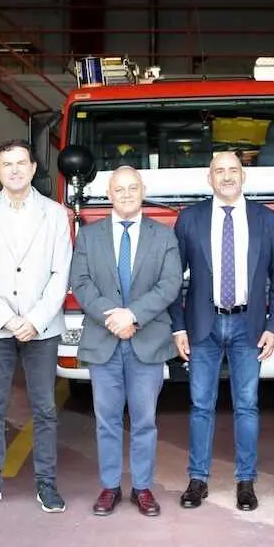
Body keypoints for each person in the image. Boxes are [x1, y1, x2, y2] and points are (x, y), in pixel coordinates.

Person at [170, 151, 274, 512]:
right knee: (200, 405)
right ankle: (198, 480)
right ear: (209, 178)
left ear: (243, 176)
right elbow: (173, 279)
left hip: (247, 325)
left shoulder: (266, 219)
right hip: (203, 324)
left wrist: (273, 326)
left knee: (247, 406)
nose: (226, 177)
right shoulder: (189, 219)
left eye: (232, 170)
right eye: (219, 171)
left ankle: (245, 482)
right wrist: (178, 327)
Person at [0, 139, 73, 514]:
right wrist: (7, 318)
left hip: (41, 327)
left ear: (33, 166)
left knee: (44, 408)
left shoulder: (56, 214)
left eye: (20, 163)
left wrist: (36, 319)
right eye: (6, 164)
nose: (14, 170)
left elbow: (62, 272)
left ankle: (47, 483)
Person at [69, 166, 183, 517]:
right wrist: (113, 316)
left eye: (133, 187)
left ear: (143, 189)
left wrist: (131, 315)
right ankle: (109, 487)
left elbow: (170, 284)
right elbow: (81, 282)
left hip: (146, 341)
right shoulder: (89, 236)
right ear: (109, 193)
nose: (127, 194)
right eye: (120, 189)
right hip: (104, 341)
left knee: (145, 419)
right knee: (106, 418)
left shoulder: (163, 235)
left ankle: (143, 488)